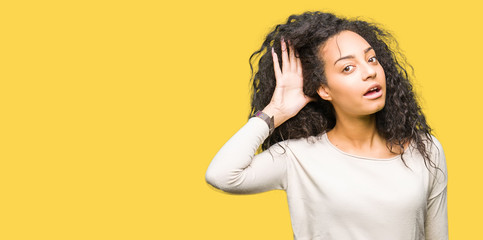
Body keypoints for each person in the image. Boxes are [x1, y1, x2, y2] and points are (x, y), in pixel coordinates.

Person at [205, 11, 447, 240]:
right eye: (347, 68)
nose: (369, 72)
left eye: (372, 59)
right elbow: (222, 175)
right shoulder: (297, 157)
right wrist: (276, 111)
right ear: (324, 89)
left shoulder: (425, 148)